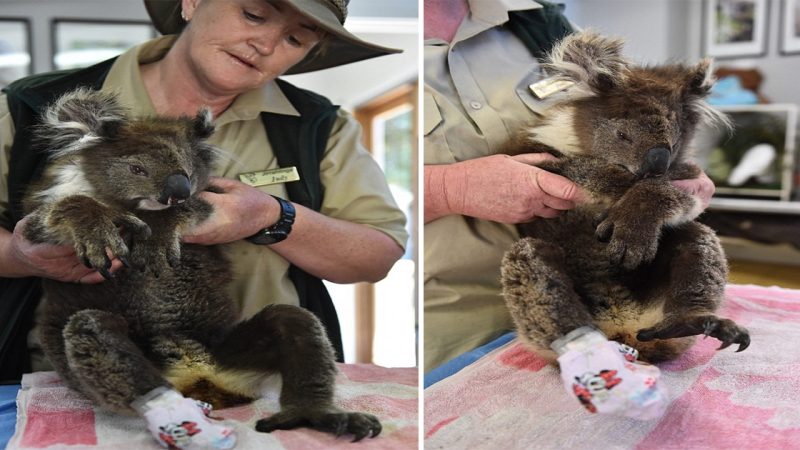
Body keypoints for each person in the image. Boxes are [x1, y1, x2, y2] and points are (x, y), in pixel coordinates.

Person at [0, 0, 408, 382]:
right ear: (192, 1)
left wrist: (272, 217)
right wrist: (21, 256)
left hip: (249, 373)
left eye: (295, 39)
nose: (264, 45)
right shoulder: (35, 106)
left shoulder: (318, 127)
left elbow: (377, 254)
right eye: (253, 13)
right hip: (75, 377)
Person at [423, 0, 716, 372]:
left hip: (638, 293)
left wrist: (684, 186)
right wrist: (451, 189)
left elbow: (639, 109)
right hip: (463, 320)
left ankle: (688, 314)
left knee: (698, 239)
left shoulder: (537, 21)